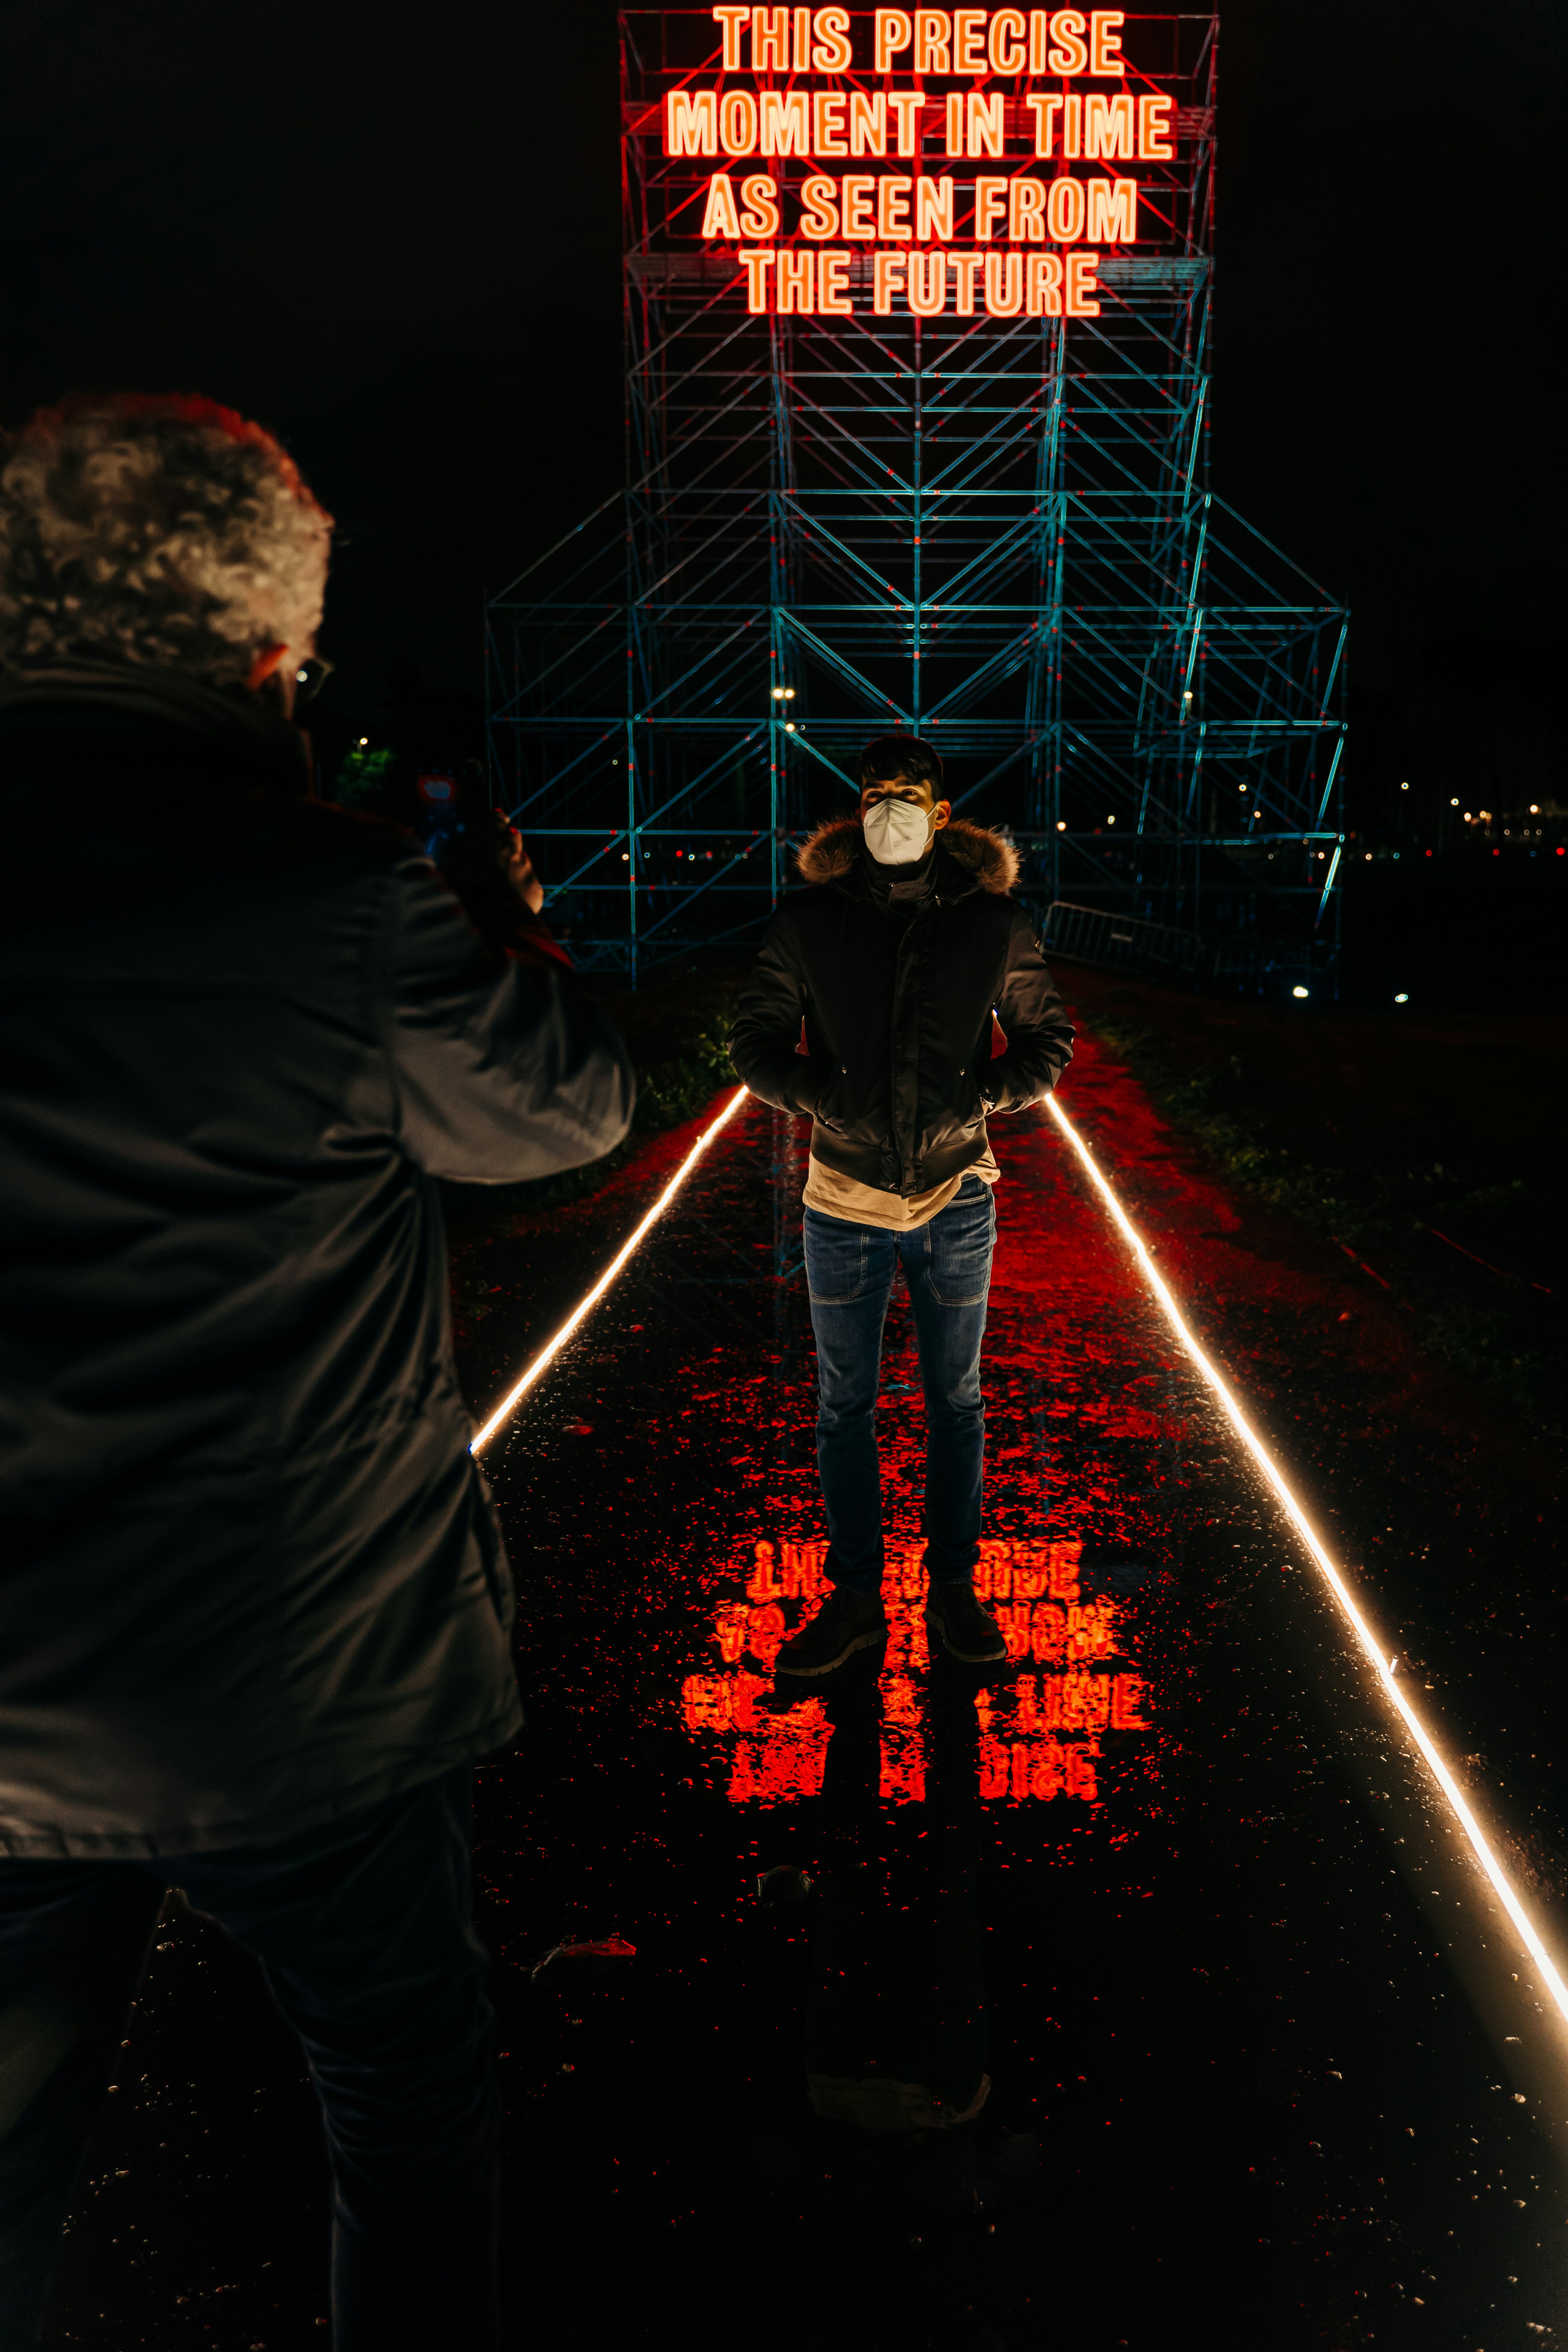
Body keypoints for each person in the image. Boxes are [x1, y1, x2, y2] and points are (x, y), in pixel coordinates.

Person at [0, 394, 635, 2348]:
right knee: (403, 2107)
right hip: (304, 1690)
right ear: (269, 642)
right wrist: (496, 912)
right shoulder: (341, 900)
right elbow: (564, 1115)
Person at [729, 736, 1073, 1676]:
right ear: (858, 806)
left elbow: (1046, 1037)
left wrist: (984, 1096)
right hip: (841, 1203)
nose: (890, 809)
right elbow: (753, 1041)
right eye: (875, 793)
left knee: (955, 1404)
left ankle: (952, 1593)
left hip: (957, 1197)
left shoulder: (991, 922)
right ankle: (853, 1603)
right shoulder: (808, 919)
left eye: (907, 795)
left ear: (941, 813)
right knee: (844, 1409)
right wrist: (823, 1095)